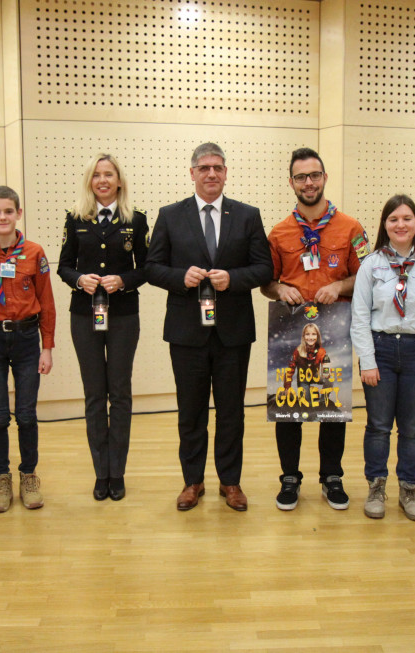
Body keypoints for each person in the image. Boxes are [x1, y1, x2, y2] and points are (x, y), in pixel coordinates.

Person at [145, 142, 273, 512]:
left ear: (226, 172)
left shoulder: (247, 216)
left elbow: (264, 268)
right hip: (186, 332)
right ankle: (193, 481)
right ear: (192, 173)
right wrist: (180, 277)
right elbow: (152, 267)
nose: (211, 174)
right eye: (204, 168)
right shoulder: (170, 215)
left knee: (231, 410)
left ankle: (230, 483)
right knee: (191, 410)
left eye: (217, 167)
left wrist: (231, 278)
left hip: (233, 332)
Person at [261, 147, 370, 511]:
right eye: (301, 177)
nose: (309, 183)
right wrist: (279, 288)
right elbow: (266, 283)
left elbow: (366, 275)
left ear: (324, 178)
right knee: (289, 404)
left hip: (333, 328)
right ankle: (289, 477)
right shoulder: (278, 232)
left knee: (331, 404)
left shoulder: (351, 228)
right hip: (291, 328)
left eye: (315, 175)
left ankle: (332, 476)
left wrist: (339, 287)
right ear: (291, 182)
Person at [350, 195, 415, 521]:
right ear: (385, 225)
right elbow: (359, 315)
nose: (401, 225)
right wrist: (367, 360)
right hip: (380, 349)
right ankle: (376, 487)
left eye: (407, 218)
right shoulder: (371, 265)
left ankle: (409, 489)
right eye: (393, 219)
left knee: (412, 428)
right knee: (378, 426)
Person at [57, 154, 149, 501]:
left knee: (120, 394)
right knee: (95, 395)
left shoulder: (135, 220)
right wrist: (80, 279)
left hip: (124, 315)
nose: (103, 180)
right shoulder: (76, 218)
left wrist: (122, 281)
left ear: (119, 181)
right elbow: (64, 266)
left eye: (109, 174)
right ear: (90, 181)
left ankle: (118, 471)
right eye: (96, 175)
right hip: (84, 315)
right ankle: (101, 472)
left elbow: (147, 268)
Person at [0, 186, 55, 513]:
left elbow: (46, 301)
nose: (2, 217)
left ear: (18, 213)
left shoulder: (34, 252)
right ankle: (1, 477)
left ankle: (28, 475)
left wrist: (48, 346)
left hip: (28, 340)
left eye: (8, 211)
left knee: (27, 414)